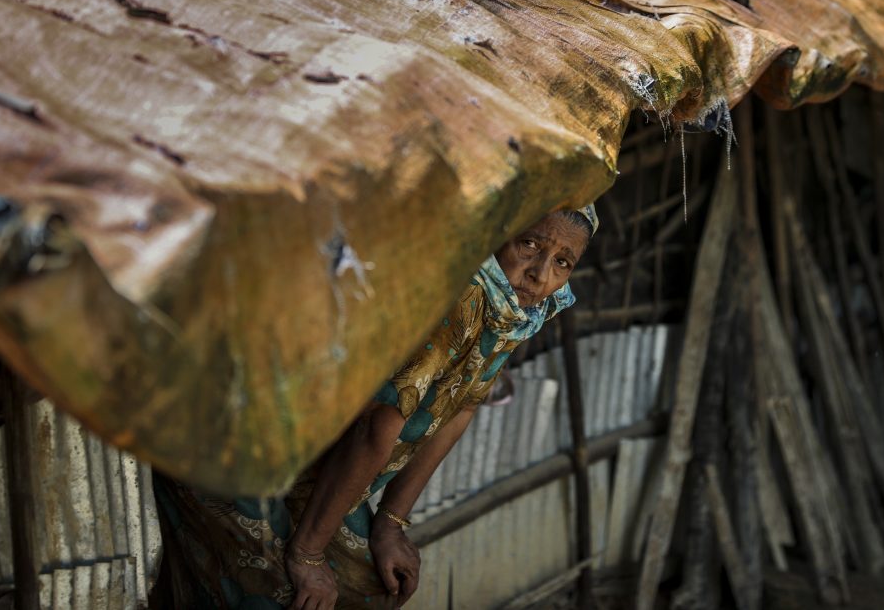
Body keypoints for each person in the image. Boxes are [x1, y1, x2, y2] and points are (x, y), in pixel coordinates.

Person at [152, 205, 598, 610]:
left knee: (375, 587)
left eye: (562, 262)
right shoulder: (462, 290)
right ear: (500, 233)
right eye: (530, 244)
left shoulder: (515, 308)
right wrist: (306, 554)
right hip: (245, 444)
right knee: (287, 597)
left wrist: (390, 522)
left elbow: (460, 408)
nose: (540, 273)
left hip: (315, 465)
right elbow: (377, 426)